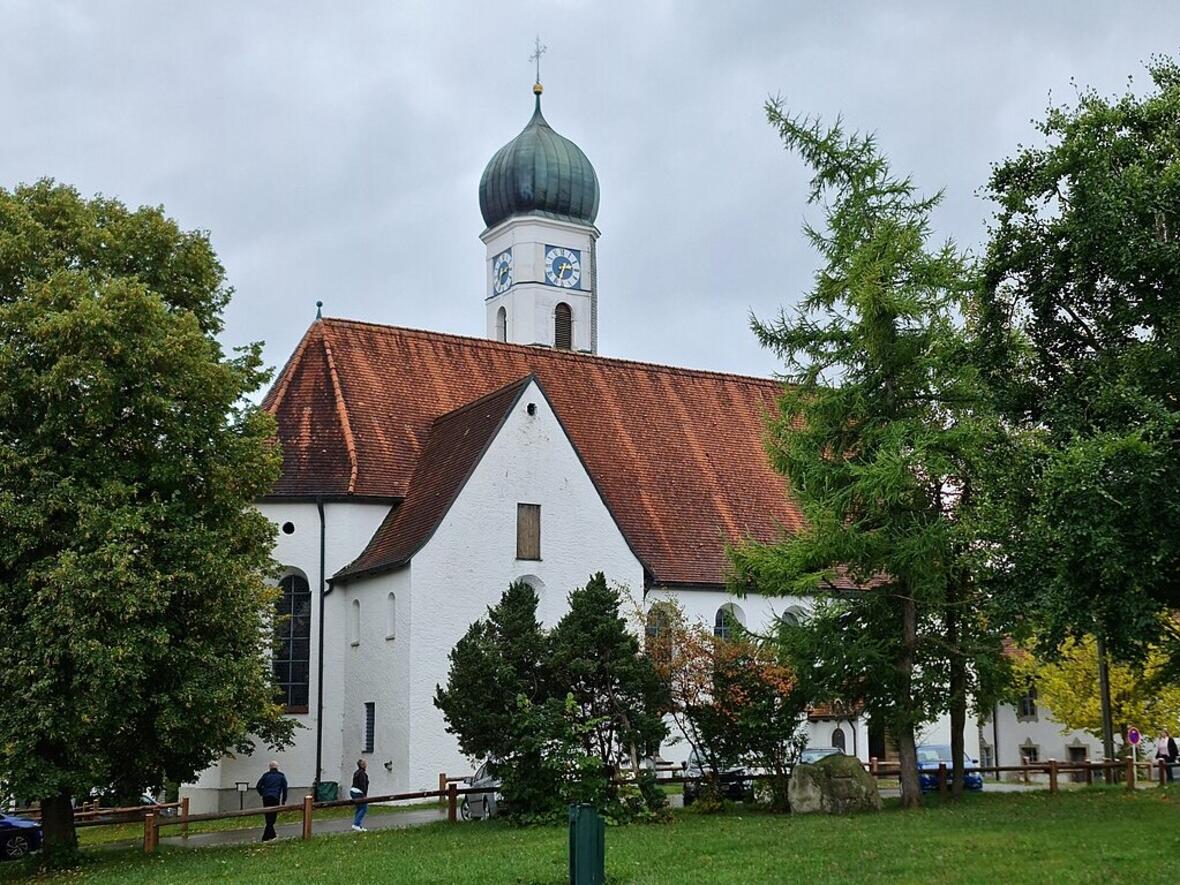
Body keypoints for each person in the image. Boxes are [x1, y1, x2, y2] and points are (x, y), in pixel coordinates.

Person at [256, 760, 288, 841]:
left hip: (266, 797)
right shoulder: (281, 776)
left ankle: (271, 835)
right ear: (277, 767)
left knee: (268, 816)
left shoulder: (265, 775)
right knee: (273, 817)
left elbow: (258, 786)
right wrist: (283, 801)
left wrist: (262, 793)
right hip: (275, 797)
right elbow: (285, 789)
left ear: (269, 767)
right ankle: (265, 837)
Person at [350, 758, 369, 832]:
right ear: (363, 765)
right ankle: (356, 824)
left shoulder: (356, 772)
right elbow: (363, 785)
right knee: (364, 808)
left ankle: (357, 825)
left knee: (359, 808)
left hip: (353, 791)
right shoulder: (362, 774)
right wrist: (364, 795)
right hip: (358, 792)